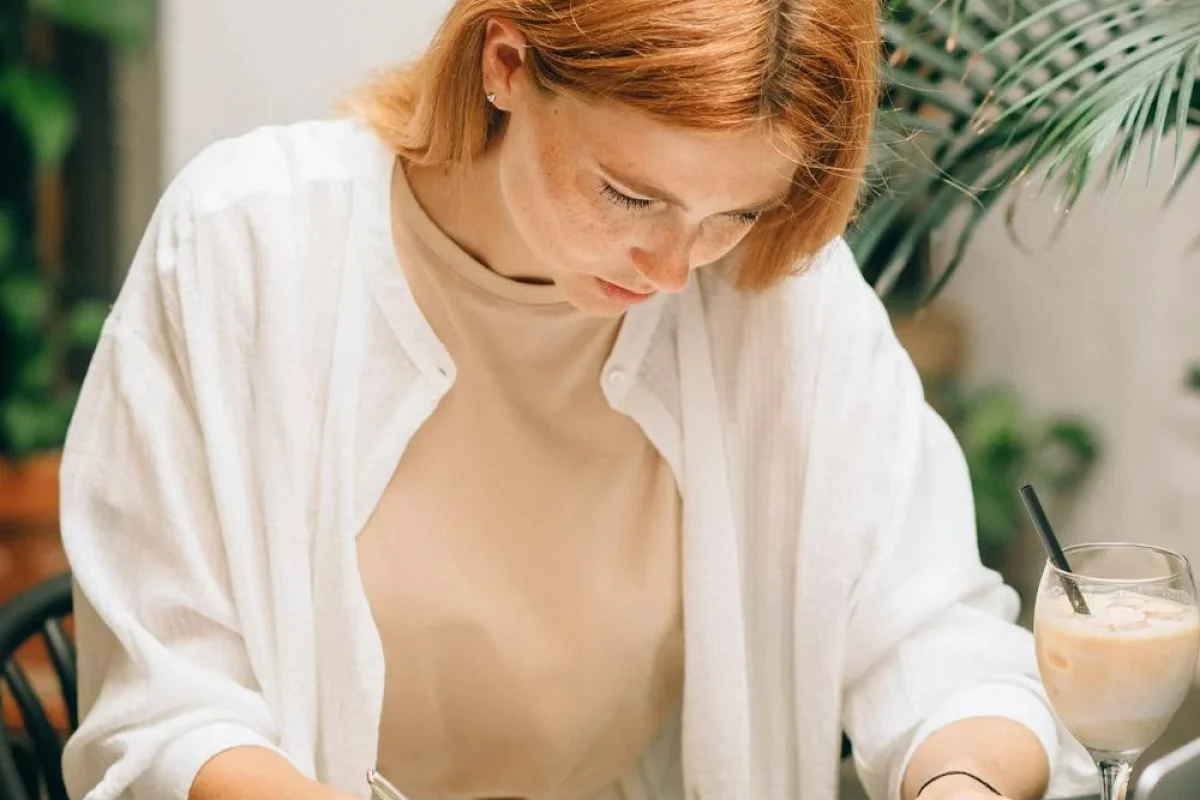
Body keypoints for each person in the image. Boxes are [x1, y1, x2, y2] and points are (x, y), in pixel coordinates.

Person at [58, 1, 1098, 799]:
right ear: (506, 64)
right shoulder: (245, 244)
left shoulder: (775, 297)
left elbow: (939, 645)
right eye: (630, 194)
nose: (672, 265)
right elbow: (166, 709)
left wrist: (956, 778)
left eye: (734, 211)